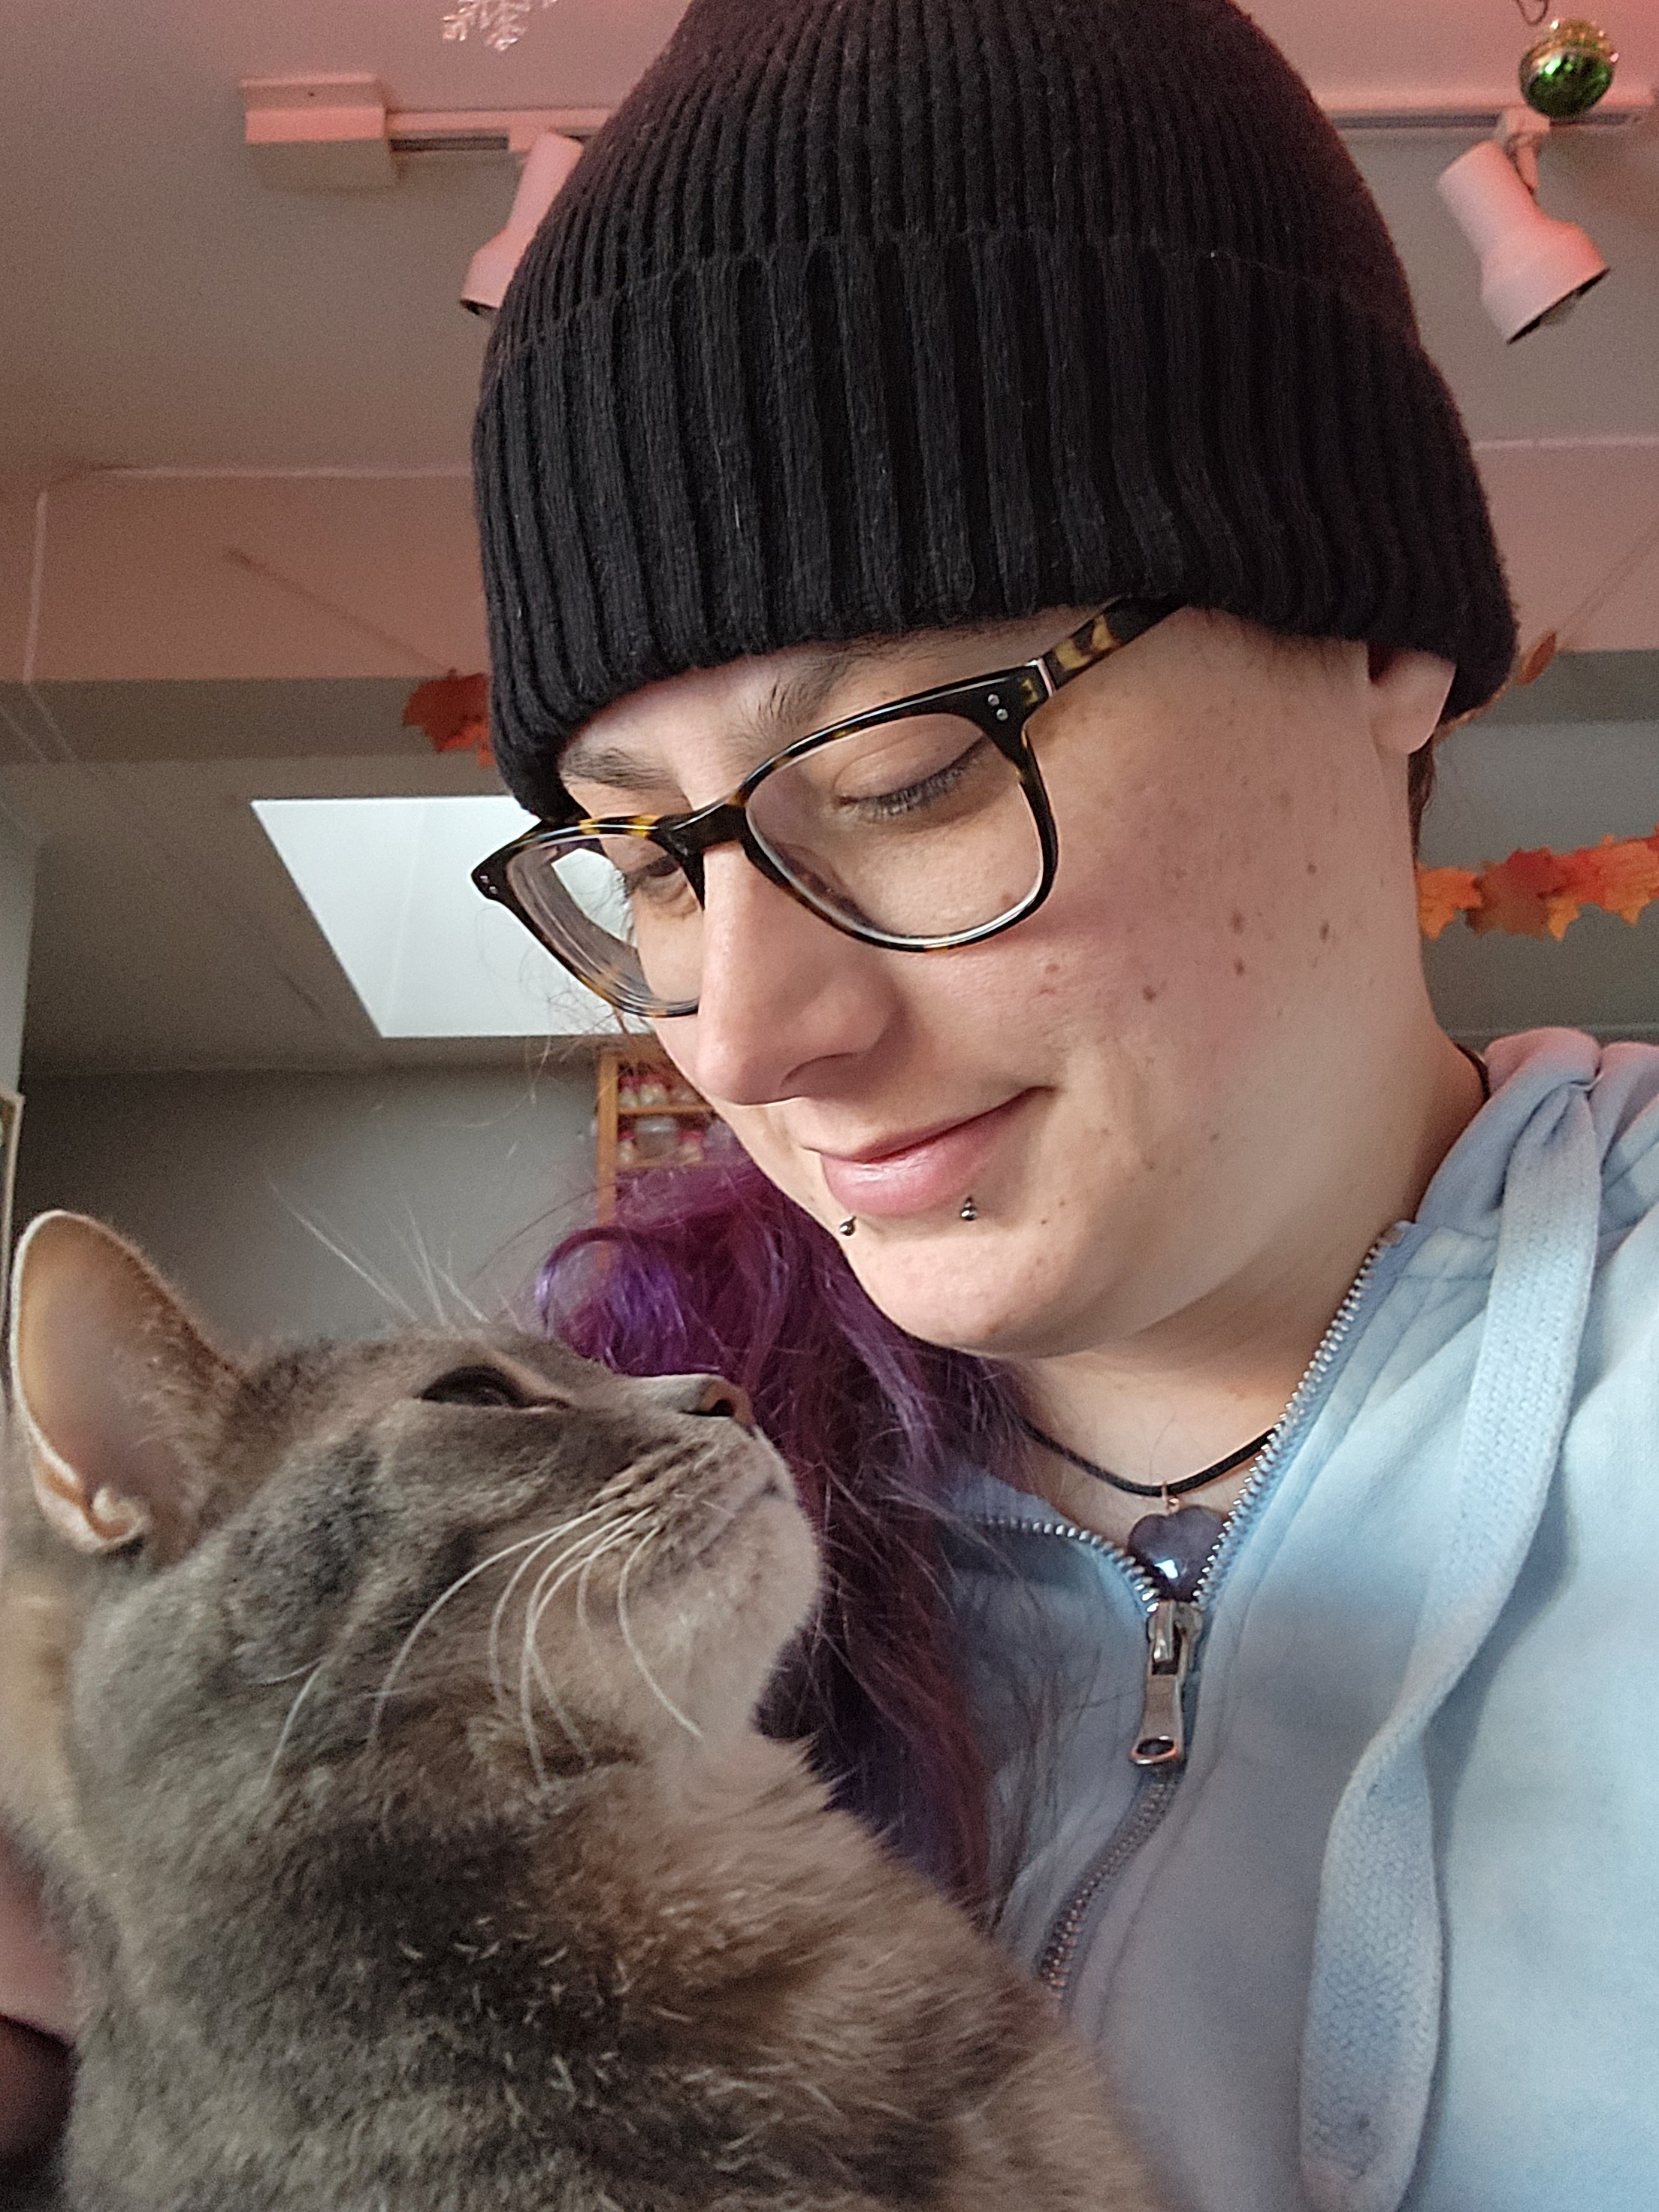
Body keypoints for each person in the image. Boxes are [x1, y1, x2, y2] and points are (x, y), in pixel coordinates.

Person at [2, 1, 1653, 2206]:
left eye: (911, 772)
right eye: (645, 860)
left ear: (1381, 642)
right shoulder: (585, 1506)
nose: (743, 1036)